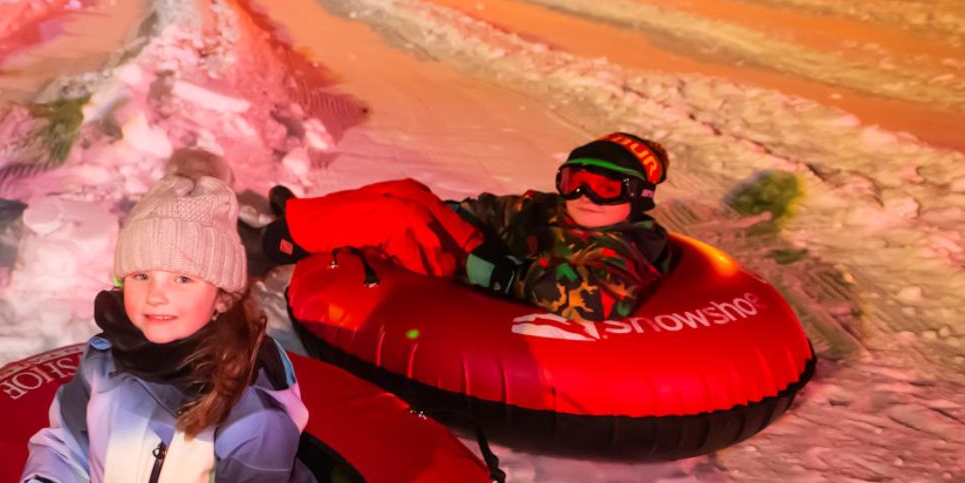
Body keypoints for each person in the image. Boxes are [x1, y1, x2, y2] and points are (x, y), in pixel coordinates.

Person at [3, 150, 317, 483]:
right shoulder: (108, 358)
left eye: (183, 278)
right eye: (142, 275)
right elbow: (69, 442)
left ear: (222, 295)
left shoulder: (250, 411)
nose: (154, 296)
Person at [261, 133, 675, 323]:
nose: (585, 196)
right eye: (574, 181)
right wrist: (453, 214)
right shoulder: (551, 210)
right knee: (407, 192)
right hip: (485, 259)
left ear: (638, 197)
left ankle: (289, 239)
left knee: (397, 221)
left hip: (480, 290)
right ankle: (303, 213)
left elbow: (601, 298)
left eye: (605, 188)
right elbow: (496, 211)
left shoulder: (623, 246)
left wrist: (509, 275)